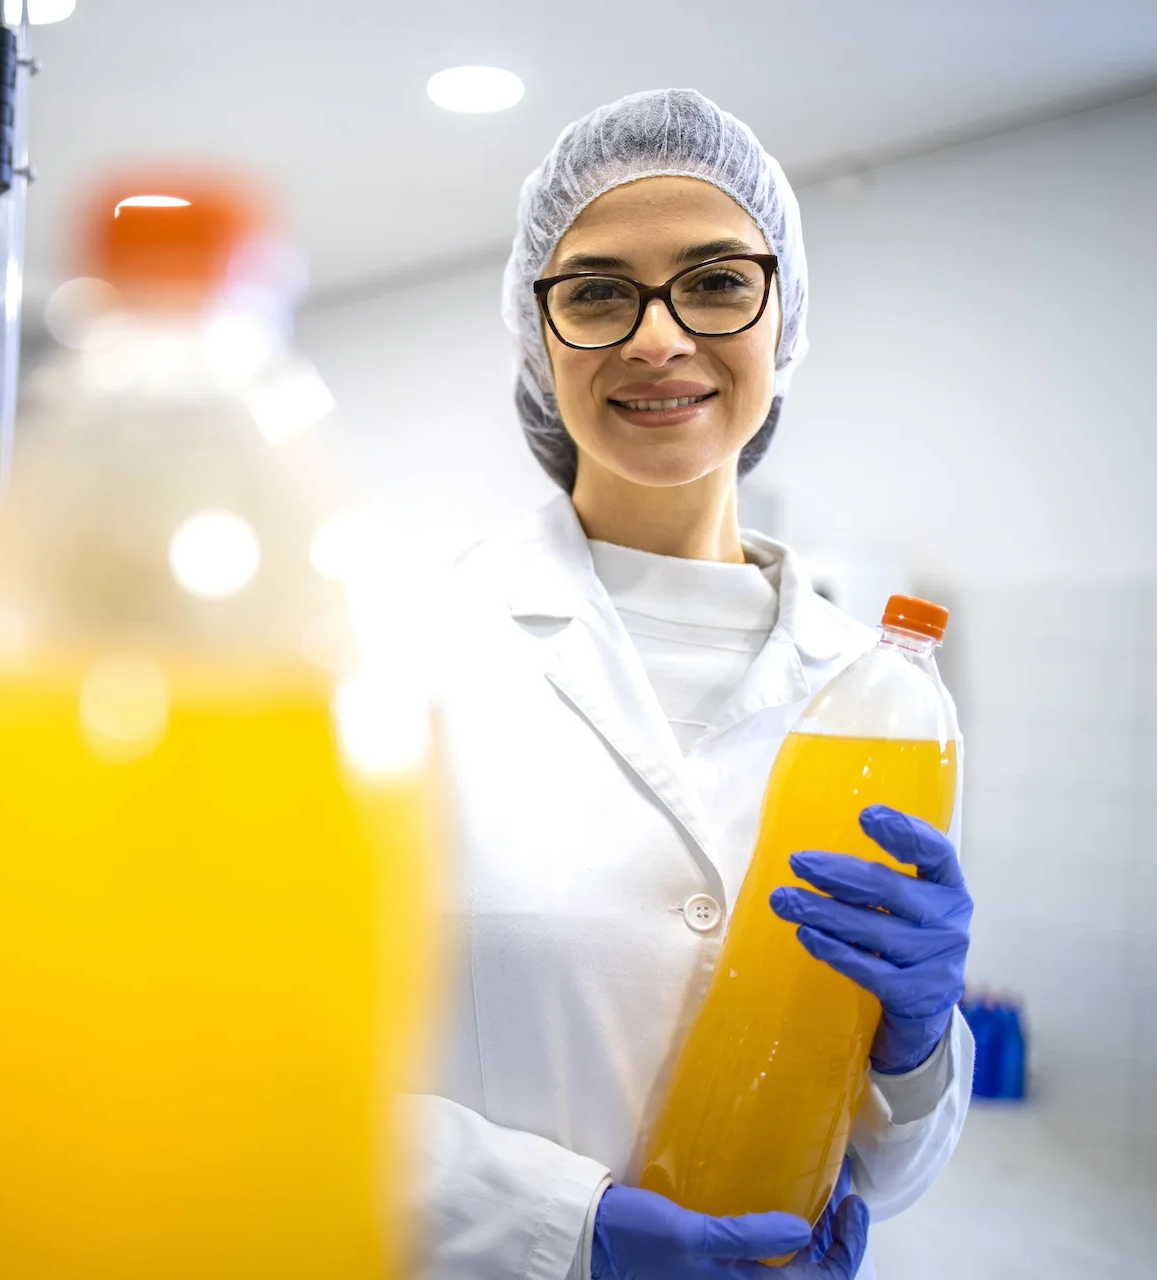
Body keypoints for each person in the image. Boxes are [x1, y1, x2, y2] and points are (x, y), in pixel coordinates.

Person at [412, 89, 974, 1279]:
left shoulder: (879, 696)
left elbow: (889, 1167)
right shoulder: (397, 648)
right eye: (599, 291)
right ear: (541, 334)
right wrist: (559, 1231)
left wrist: (919, 1046)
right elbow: (261, 1061)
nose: (657, 338)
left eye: (717, 281)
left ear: (785, 319)